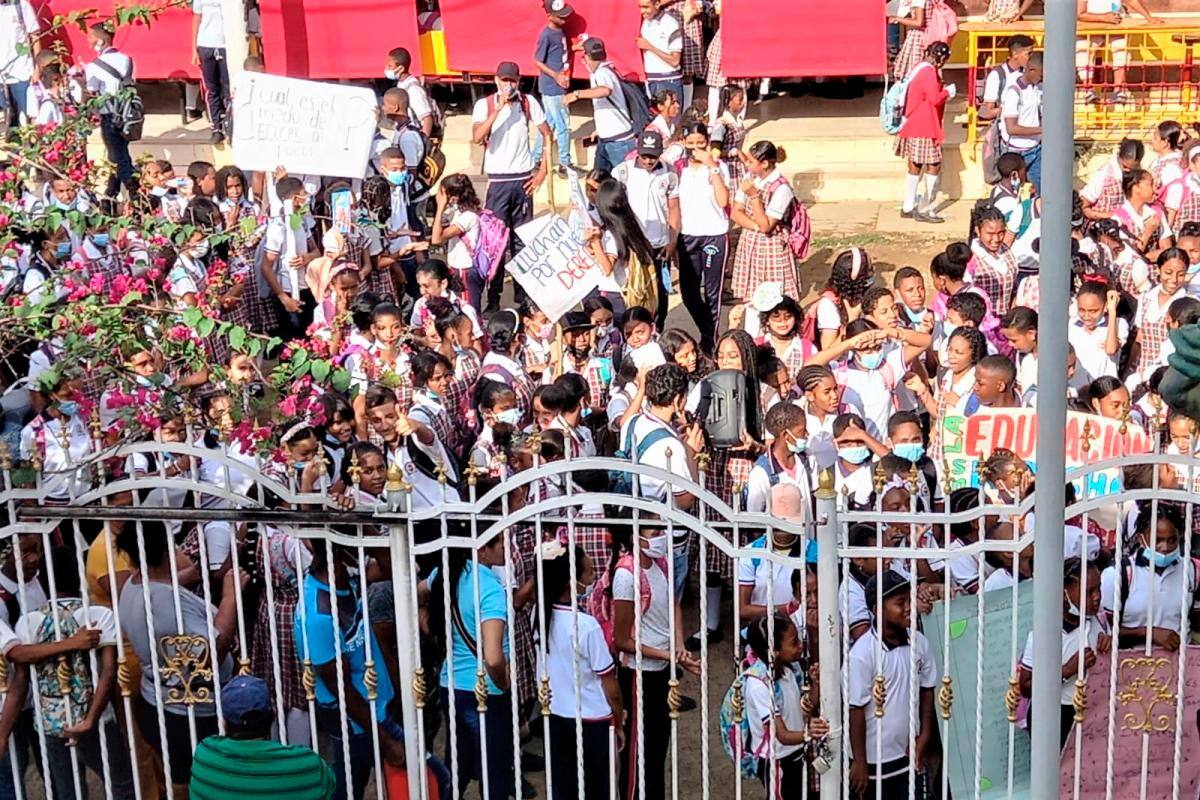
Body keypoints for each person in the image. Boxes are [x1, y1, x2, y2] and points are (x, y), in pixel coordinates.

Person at [537, 542, 624, 800]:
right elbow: (611, 687)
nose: (593, 577)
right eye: (588, 573)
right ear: (570, 583)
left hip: (557, 716)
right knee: (600, 790)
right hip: (593, 721)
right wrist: (618, 721)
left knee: (565, 788)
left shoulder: (540, 617)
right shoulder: (585, 626)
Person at [847, 570, 937, 799]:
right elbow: (855, 708)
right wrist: (860, 761)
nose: (909, 607)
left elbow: (927, 689)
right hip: (875, 757)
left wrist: (925, 734)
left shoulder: (920, 644)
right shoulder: (862, 654)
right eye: (901, 602)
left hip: (909, 752)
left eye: (910, 599)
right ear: (877, 609)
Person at [471, 60, 550, 311]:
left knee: (521, 240)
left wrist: (543, 171)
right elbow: (476, 137)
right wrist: (499, 108)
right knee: (496, 241)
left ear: (518, 82)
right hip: (498, 181)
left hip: (523, 178)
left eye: (512, 80)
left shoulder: (528, 103)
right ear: (496, 80)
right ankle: (493, 298)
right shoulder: (485, 105)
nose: (508, 84)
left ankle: (523, 295)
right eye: (504, 80)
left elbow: (548, 133)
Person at [188, 675, 336, 799]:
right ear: (273, 716)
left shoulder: (204, 756)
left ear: (224, 722)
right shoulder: (307, 765)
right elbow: (329, 788)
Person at [1018, 558, 1109, 749]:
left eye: (1098, 589)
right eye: (1088, 592)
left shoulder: (1098, 621)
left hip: (1094, 711)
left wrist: (1108, 647)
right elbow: (1026, 687)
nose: (1097, 597)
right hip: (1057, 715)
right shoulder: (1044, 635)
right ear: (1063, 593)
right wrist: (1067, 670)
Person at [613, 130, 680, 328]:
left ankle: (657, 334)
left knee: (660, 298)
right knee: (634, 296)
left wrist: (672, 241)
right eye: (644, 156)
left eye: (653, 156)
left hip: (659, 246)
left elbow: (674, 208)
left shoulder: (669, 172)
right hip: (633, 247)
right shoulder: (622, 172)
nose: (649, 161)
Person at [730, 141, 800, 302]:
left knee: (775, 298)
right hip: (750, 243)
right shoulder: (750, 178)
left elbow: (767, 225)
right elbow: (736, 212)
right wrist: (756, 226)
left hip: (772, 248)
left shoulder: (782, 189)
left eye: (750, 161)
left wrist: (754, 197)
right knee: (751, 299)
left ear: (764, 163)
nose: (746, 164)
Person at [896, 42, 954, 224]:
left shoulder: (918, 67)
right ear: (942, 58)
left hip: (913, 122)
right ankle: (925, 208)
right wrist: (948, 92)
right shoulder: (929, 72)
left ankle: (908, 205)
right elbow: (935, 98)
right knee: (934, 163)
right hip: (925, 124)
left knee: (915, 163)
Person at [566, 39, 637, 172]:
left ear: (587, 57)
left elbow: (605, 91)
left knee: (624, 182)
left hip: (618, 142)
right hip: (607, 139)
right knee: (598, 180)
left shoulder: (601, 73)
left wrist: (576, 94)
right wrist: (600, 129)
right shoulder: (609, 70)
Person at [83, 22, 135, 199]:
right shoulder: (126, 59)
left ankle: (134, 189)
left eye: (91, 37)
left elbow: (92, 91)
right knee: (120, 153)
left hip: (109, 114)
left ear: (100, 40)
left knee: (118, 156)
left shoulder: (94, 65)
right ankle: (111, 193)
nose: (88, 41)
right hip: (127, 114)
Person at [1076, 0, 1159, 106]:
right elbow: (1080, 14)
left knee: (1121, 47)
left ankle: (1118, 90)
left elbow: (1131, 1)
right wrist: (1104, 18)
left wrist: (1149, 17)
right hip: (1089, 26)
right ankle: (1088, 90)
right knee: (1083, 48)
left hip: (1116, 24)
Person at [532, 0, 574, 176]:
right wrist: (556, 76)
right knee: (562, 124)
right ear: (550, 16)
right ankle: (565, 163)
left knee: (547, 124)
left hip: (557, 84)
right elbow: (537, 60)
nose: (565, 18)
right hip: (552, 87)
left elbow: (560, 52)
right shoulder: (546, 35)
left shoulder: (560, 31)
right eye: (560, 16)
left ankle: (535, 159)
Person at [1000, 50, 1044, 193]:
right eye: (1041, 74)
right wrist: (1043, 130)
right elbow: (1012, 128)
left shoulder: (1039, 88)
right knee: (1016, 193)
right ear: (1031, 70)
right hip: (1016, 153)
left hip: (1036, 149)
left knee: (1040, 192)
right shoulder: (1014, 91)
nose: (1043, 78)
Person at [191, 0, 230, 142]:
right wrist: (194, 49)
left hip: (226, 44)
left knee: (228, 88)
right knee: (211, 89)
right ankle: (216, 127)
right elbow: (196, 19)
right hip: (206, 44)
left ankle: (230, 124)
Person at [0, 0, 40, 129]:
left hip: (21, 71)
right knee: (7, 116)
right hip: (1, 74)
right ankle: (14, 145)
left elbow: (34, 36)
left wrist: (38, 67)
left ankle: (30, 145)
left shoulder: (21, 5)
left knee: (27, 115)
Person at [978, 34, 1034, 123]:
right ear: (1015, 54)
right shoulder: (998, 75)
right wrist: (1017, 109)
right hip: (1009, 132)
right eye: (1028, 54)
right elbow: (988, 112)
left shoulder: (1032, 73)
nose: (1032, 58)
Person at [637, 0, 684, 104]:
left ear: (657, 5)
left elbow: (675, 60)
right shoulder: (642, 22)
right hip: (649, 81)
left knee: (672, 119)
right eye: (640, 7)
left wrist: (649, 47)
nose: (642, 11)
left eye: (646, 7)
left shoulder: (671, 24)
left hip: (669, 81)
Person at [384, 46, 435, 138]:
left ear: (400, 69)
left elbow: (427, 119)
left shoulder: (413, 90)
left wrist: (423, 144)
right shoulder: (400, 84)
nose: (387, 69)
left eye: (390, 66)